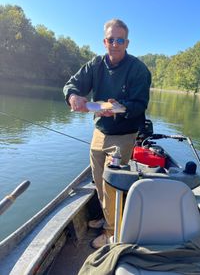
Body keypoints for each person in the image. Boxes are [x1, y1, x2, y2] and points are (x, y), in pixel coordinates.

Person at [63, 19, 151, 248]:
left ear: (127, 42)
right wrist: (73, 97)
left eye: (120, 40)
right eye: (111, 39)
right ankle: (107, 215)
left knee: (112, 182)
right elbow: (72, 84)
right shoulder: (96, 64)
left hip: (124, 133)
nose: (115, 44)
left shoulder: (138, 69)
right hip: (99, 131)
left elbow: (140, 104)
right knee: (99, 180)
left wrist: (118, 108)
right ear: (104, 41)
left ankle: (112, 231)